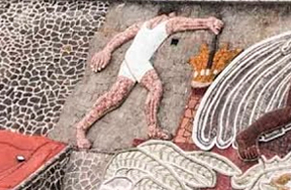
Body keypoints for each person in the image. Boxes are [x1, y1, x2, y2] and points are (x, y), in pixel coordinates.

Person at [74, 13, 223, 150]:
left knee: (115, 97)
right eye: (171, 16)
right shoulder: (164, 24)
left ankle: (81, 127)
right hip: (137, 60)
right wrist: (208, 22)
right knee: (155, 87)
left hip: (130, 60)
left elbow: (122, 36)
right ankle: (152, 128)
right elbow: (185, 23)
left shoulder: (143, 25)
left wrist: (107, 49)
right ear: (168, 15)